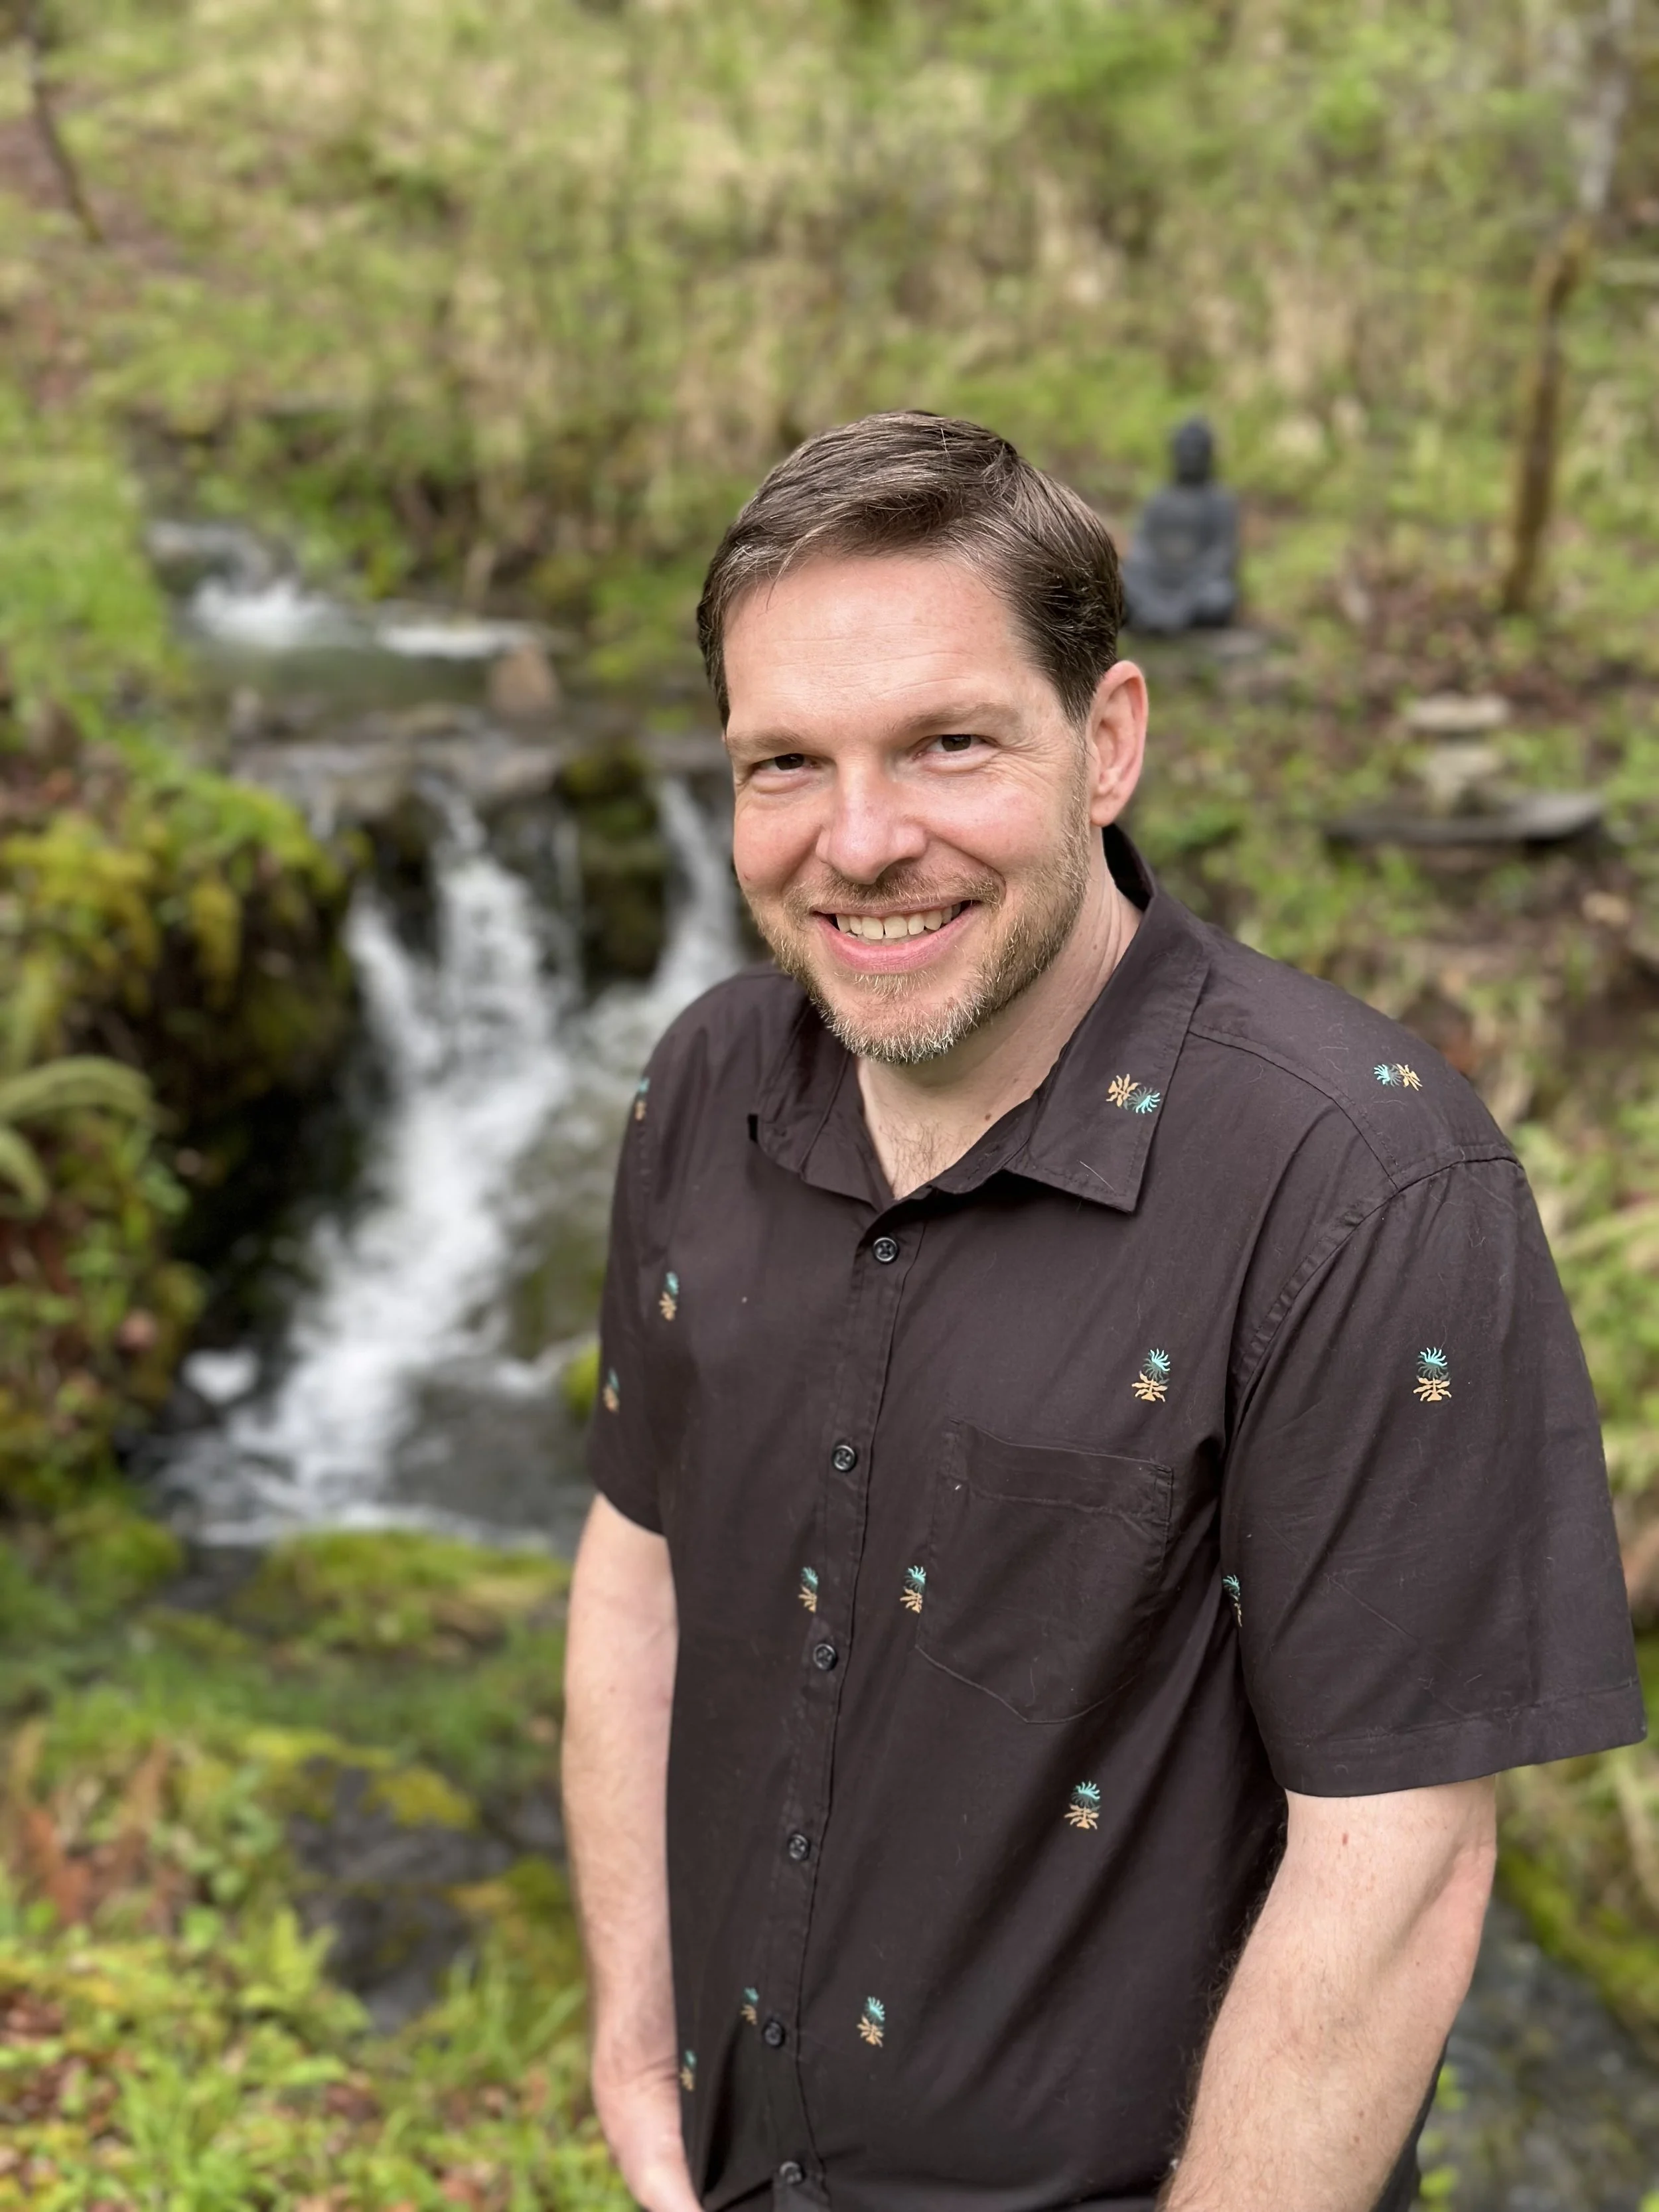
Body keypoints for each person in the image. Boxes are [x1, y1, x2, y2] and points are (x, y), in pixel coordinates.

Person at [562, 411, 1642, 2212]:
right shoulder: (706, 1082)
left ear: (1107, 739)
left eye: (946, 743)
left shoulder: (1358, 1184)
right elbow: (636, 1564)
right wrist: (634, 2035)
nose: (860, 839)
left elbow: (1395, 1855)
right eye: (783, 764)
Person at [1120, 415, 1238, 634]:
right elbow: (1141, 548)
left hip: (1198, 585)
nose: (1190, 456)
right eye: (1184, 449)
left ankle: (1169, 616)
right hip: (1157, 580)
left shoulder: (1219, 501)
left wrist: (1186, 598)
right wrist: (1151, 592)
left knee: (1220, 597)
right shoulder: (1159, 499)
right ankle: (1152, 612)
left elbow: (1222, 555)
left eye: (1197, 449)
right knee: (1121, 581)